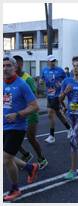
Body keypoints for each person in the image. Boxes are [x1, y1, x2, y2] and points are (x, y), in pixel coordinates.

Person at [3, 57, 40, 201]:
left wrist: (18, 114)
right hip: (4, 126)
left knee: (6, 159)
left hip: (17, 127)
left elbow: (35, 106)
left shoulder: (22, 85)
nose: (5, 68)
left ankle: (15, 189)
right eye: (3, 65)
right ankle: (30, 168)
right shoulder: (2, 83)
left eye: (8, 65)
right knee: (7, 157)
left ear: (15, 67)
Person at [13, 55, 48, 170]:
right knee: (8, 137)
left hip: (30, 114)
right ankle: (25, 154)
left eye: (15, 64)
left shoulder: (27, 79)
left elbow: (33, 98)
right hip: (16, 114)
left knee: (31, 137)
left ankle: (42, 159)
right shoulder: (9, 78)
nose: (12, 67)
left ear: (21, 65)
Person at [41, 54, 72, 143]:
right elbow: (42, 79)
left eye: (54, 61)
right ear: (48, 62)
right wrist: (41, 81)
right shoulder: (44, 70)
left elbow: (67, 80)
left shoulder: (60, 70)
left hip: (57, 95)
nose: (53, 62)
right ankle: (69, 128)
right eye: (51, 61)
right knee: (58, 113)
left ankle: (51, 136)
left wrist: (62, 85)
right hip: (49, 95)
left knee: (50, 113)